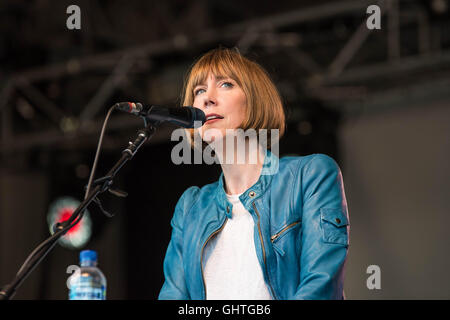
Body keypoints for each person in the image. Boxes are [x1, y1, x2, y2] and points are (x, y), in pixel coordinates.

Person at [158, 47, 350, 300]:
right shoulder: (191, 207)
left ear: (256, 100)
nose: (207, 98)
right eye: (199, 91)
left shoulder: (310, 175)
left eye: (226, 84)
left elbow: (321, 286)